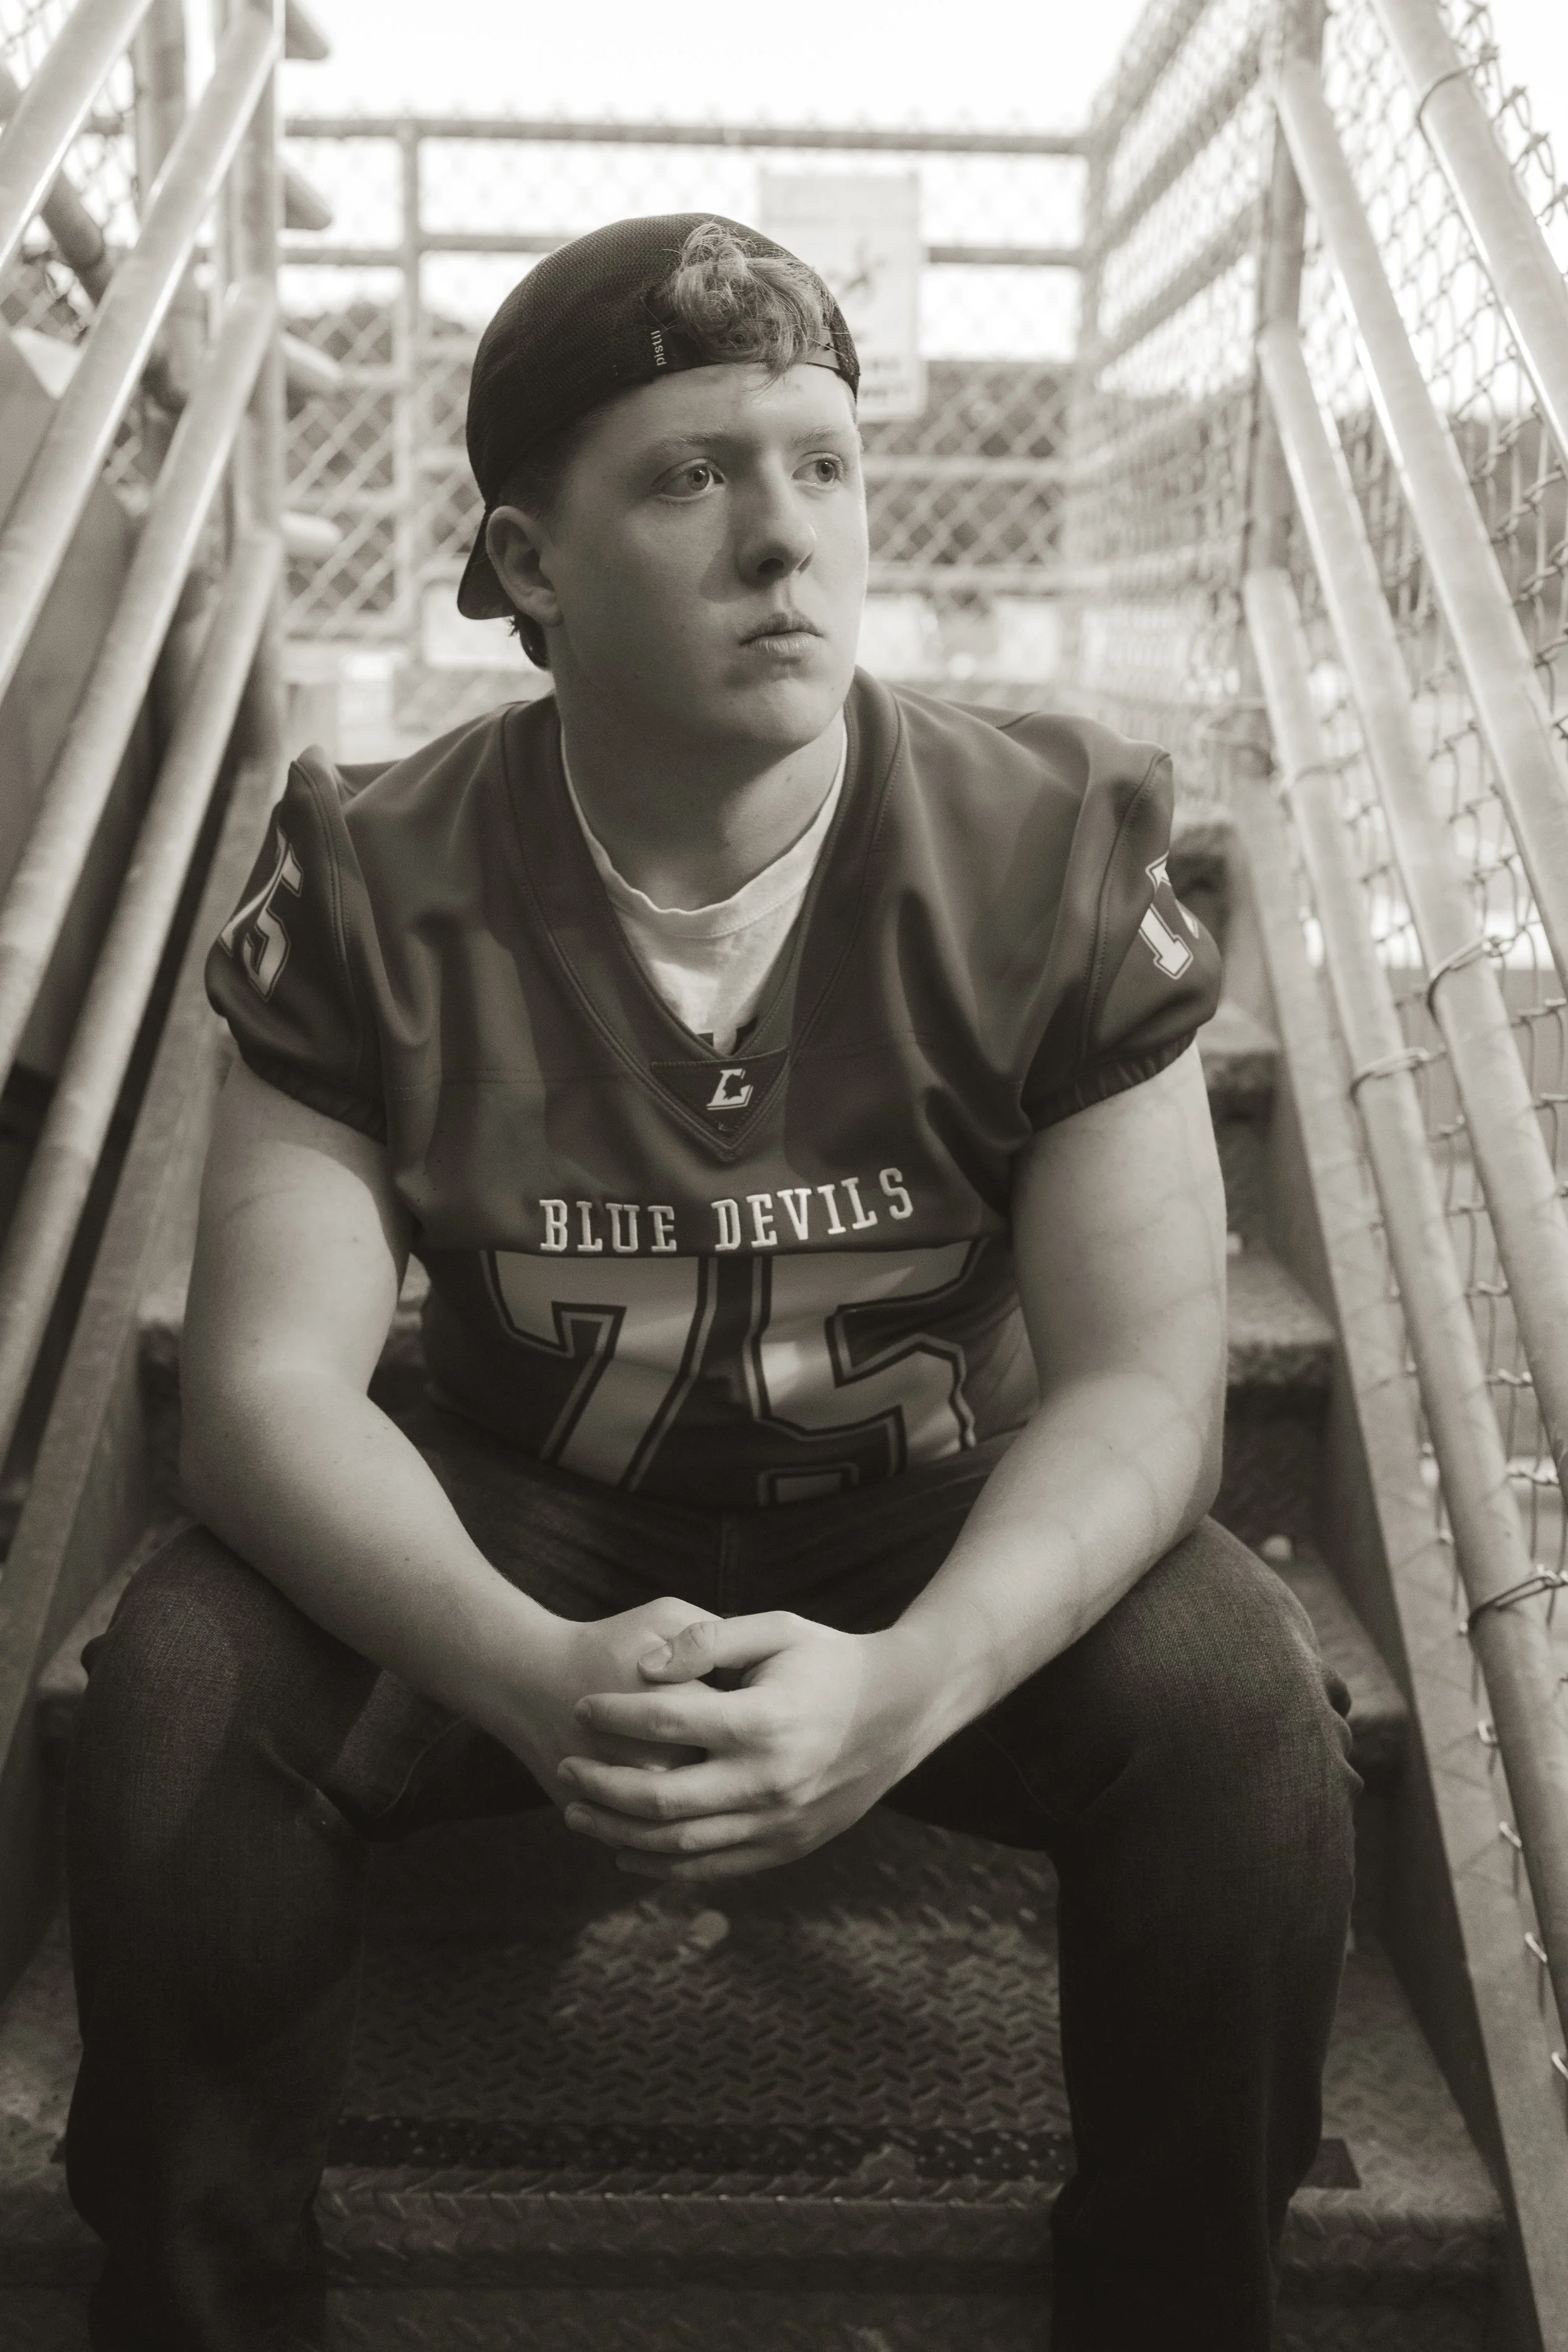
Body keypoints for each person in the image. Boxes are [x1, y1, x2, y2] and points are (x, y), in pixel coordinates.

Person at [63, 214, 1357, 2351]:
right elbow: (271, 1395)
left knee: (1238, 1706)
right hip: (529, 1514)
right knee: (188, 1681)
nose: (786, 539)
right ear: (529, 561)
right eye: (689, 477)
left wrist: (911, 1684)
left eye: (824, 465)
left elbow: (1144, 1391)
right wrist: (518, 1664)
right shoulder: (377, 874)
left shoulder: (1043, 843)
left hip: (919, 1513)